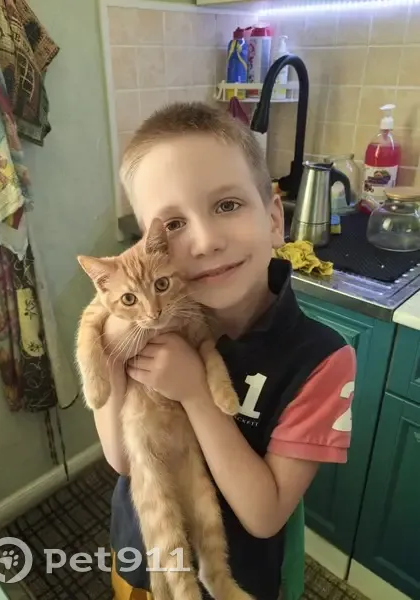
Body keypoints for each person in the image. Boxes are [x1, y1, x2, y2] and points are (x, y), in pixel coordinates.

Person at [94, 102, 356, 600]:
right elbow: (123, 460)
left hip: (239, 581)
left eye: (228, 205)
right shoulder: (144, 326)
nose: (205, 242)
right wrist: (111, 344)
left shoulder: (321, 360)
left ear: (274, 218)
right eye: (172, 225)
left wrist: (195, 393)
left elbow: (264, 515)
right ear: (148, 247)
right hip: (142, 559)